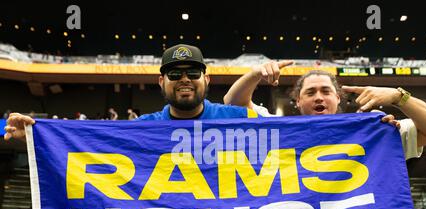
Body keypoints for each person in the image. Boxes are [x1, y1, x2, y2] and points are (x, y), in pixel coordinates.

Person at [3, 44, 258, 141]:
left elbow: (287, 138)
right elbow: (86, 144)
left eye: (192, 73)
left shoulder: (238, 118)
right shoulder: (141, 128)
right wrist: (36, 137)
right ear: (161, 81)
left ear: (207, 79)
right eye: (174, 74)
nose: (184, 80)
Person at [223, 61, 426, 160]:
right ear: (298, 103)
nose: (319, 97)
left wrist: (399, 97)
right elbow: (233, 103)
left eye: (325, 91)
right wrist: (255, 75)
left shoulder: (370, 130)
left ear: (337, 98)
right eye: (310, 93)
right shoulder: (278, 129)